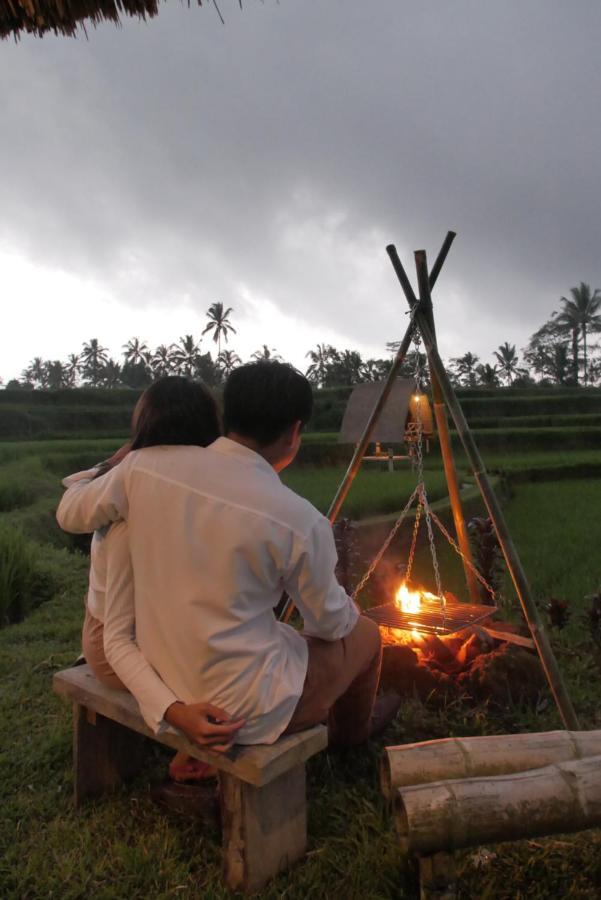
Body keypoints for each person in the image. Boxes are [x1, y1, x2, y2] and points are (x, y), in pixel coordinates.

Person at [56, 361, 399, 750]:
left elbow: (72, 510)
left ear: (229, 415)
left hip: (163, 671)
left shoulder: (143, 468)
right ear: (294, 432)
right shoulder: (300, 520)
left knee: (278, 634)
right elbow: (330, 624)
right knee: (365, 634)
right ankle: (352, 740)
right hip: (240, 713)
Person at [68, 376, 243, 777]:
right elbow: (117, 639)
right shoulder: (129, 503)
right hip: (115, 638)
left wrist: (113, 464)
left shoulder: (151, 482)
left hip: (154, 623)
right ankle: (190, 751)